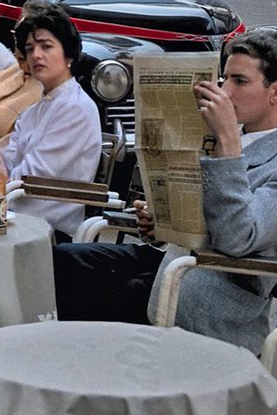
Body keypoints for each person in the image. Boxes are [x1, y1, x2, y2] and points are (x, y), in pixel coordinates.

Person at [53, 28, 277, 352]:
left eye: (239, 81)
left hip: (211, 296)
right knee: (68, 262)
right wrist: (161, 221)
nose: (225, 91)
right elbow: (197, 212)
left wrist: (228, 146)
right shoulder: (221, 134)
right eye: (224, 78)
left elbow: (237, 237)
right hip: (171, 269)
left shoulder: (252, 152)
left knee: (95, 307)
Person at [0, 1, 102, 239]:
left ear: (68, 53)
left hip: (46, 232)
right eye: (29, 49)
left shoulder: (75, 108)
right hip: (15, 219)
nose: (36, 55)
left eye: (46, 46)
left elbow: (19, 183)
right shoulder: (36, 109)